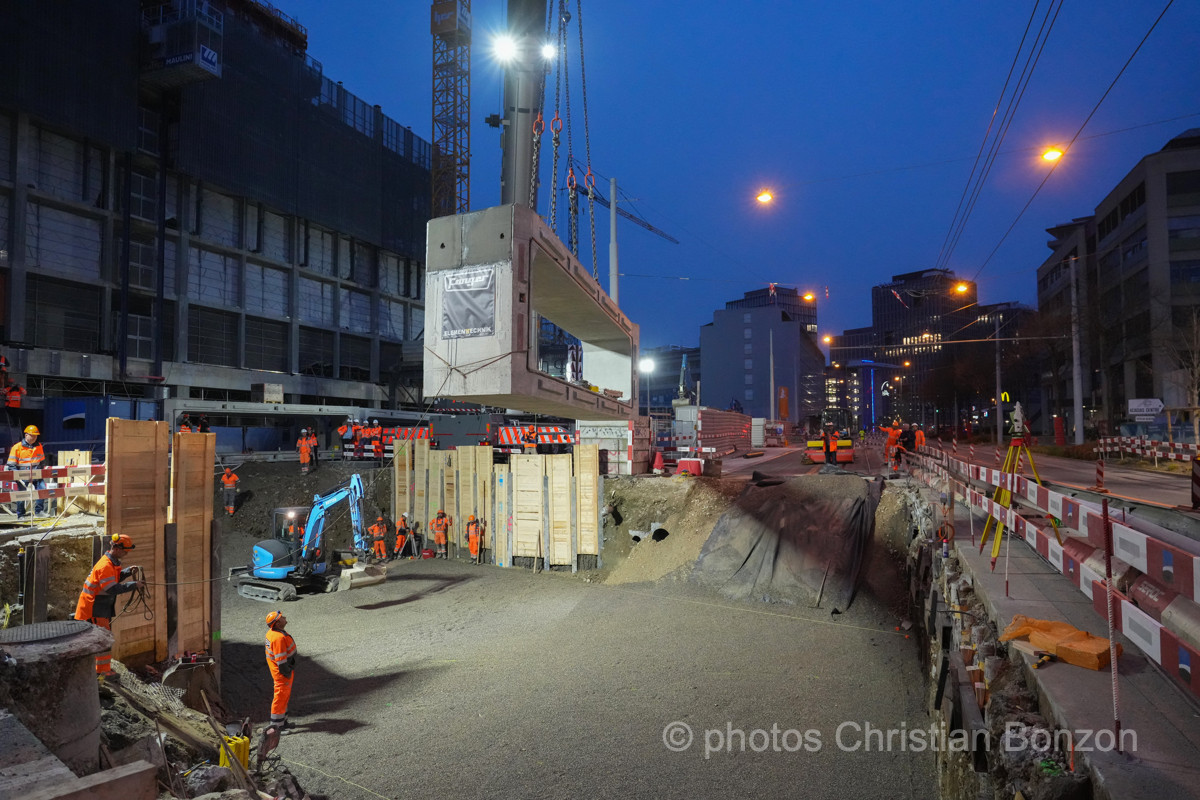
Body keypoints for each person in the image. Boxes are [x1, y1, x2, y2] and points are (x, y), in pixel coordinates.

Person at [74, 534, 144, 675]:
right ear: (117, 548)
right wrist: (133, 585)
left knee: (102, 638)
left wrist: (127, 572)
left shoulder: (111, 562)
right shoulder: (105, 565)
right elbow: (111, 588)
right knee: (101, 640)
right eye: (125, 552)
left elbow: (113, 578)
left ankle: (102, 669)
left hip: (99, 606)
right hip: (93, 608)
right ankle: (102, 671)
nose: (126, 554)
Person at [264, 611, 297, 730]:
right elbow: (281, 661)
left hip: (281, 673)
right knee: (280, 700)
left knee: (283, 698)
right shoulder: (279, 638)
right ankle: (276, 727)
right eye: (282, 617)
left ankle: (283, 722)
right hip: (282, 674)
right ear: (278, 624)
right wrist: (287, 673)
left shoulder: (272, 633)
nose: (284, 617)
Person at [7, 425, 46, 518]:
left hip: (36, 473)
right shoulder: (17, 447)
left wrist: (39, 471)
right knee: (22, 495)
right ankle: (20, 514)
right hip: (22, 474)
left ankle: (39, 511)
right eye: (32, 435)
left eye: (36, 436)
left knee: (42, 490)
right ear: (26, 435)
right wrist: (18, 476)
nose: (34, 437)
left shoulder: (39, 446)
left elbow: (42, 461)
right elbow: (11, 465)